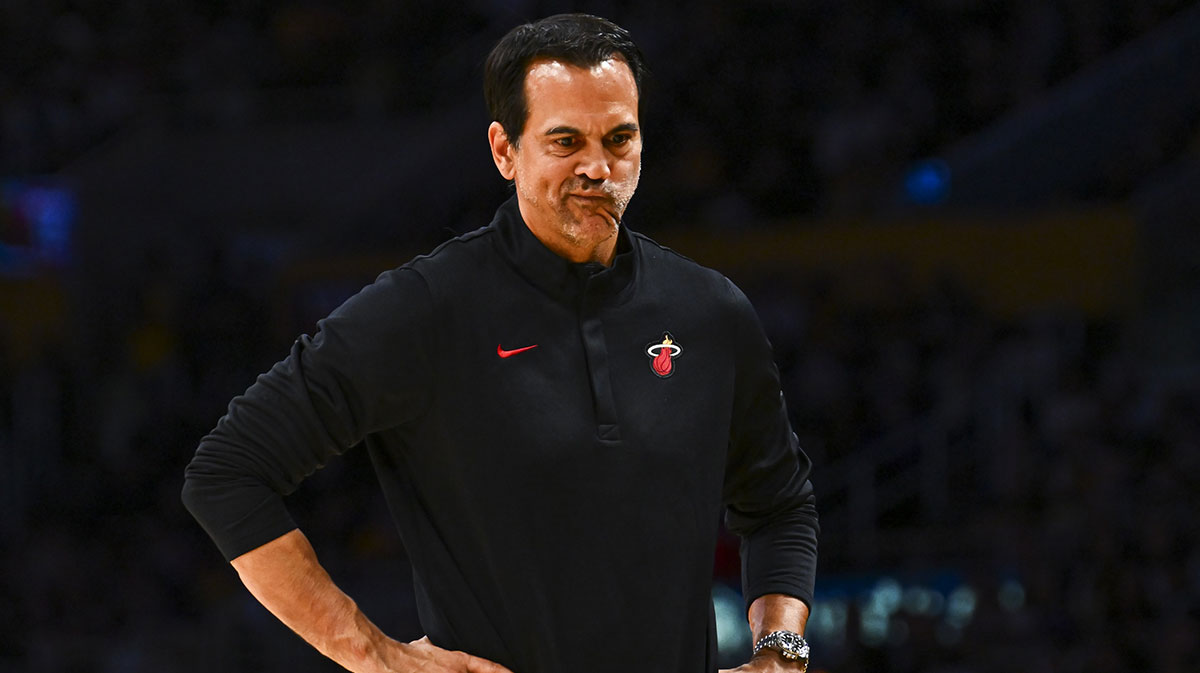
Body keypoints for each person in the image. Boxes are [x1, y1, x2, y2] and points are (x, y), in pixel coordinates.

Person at [183, 13, 818, 673]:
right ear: (504, 150)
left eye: (619, 138)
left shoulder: (709, 310)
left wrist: (781, 650)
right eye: (566, 141)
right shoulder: (427, 307)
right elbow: (226, 473)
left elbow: (780, 502)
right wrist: (374, 655)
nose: (598, 167)